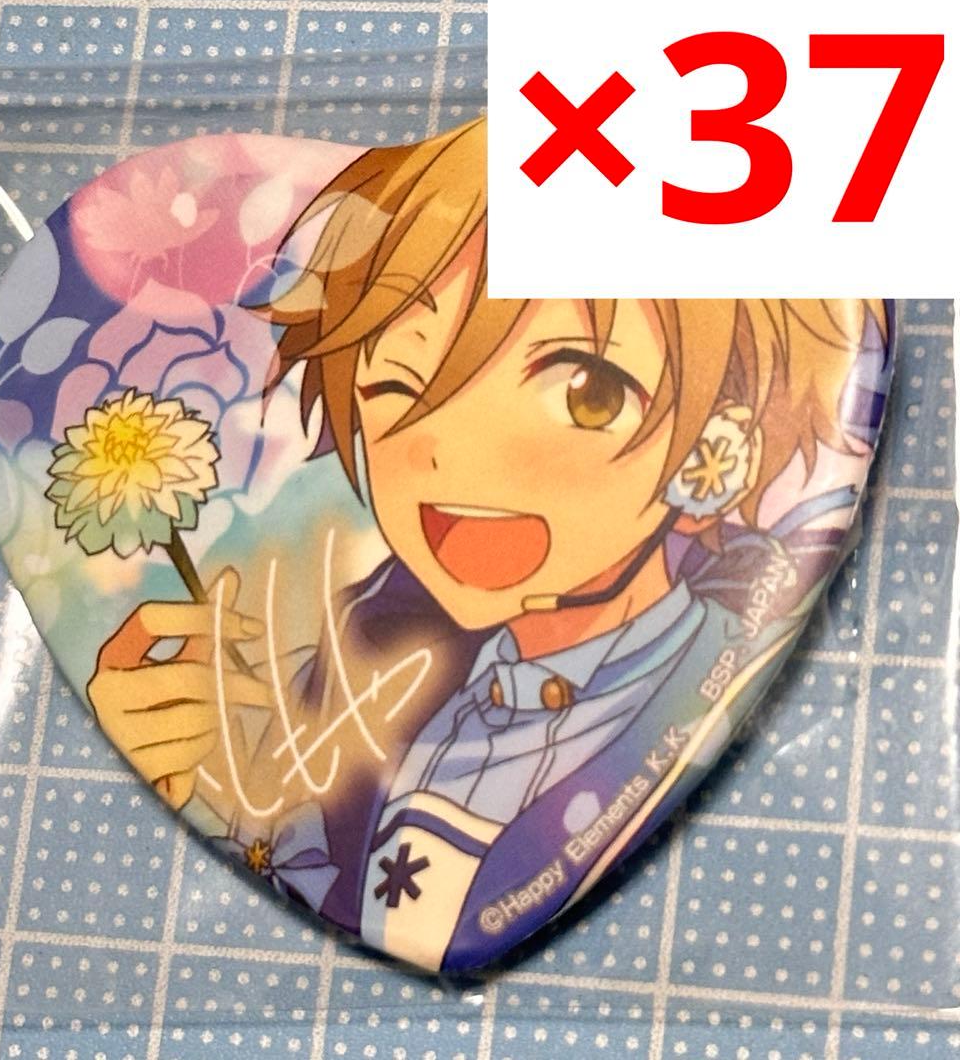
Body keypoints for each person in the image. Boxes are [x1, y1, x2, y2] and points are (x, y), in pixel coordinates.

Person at [86, 118, 891, 970]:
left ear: (717, 447)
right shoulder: (361, 672)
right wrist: (202, 776)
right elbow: (304, 846)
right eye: (399, 383)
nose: (454, 454)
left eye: (588, 392)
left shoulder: (700, 670)